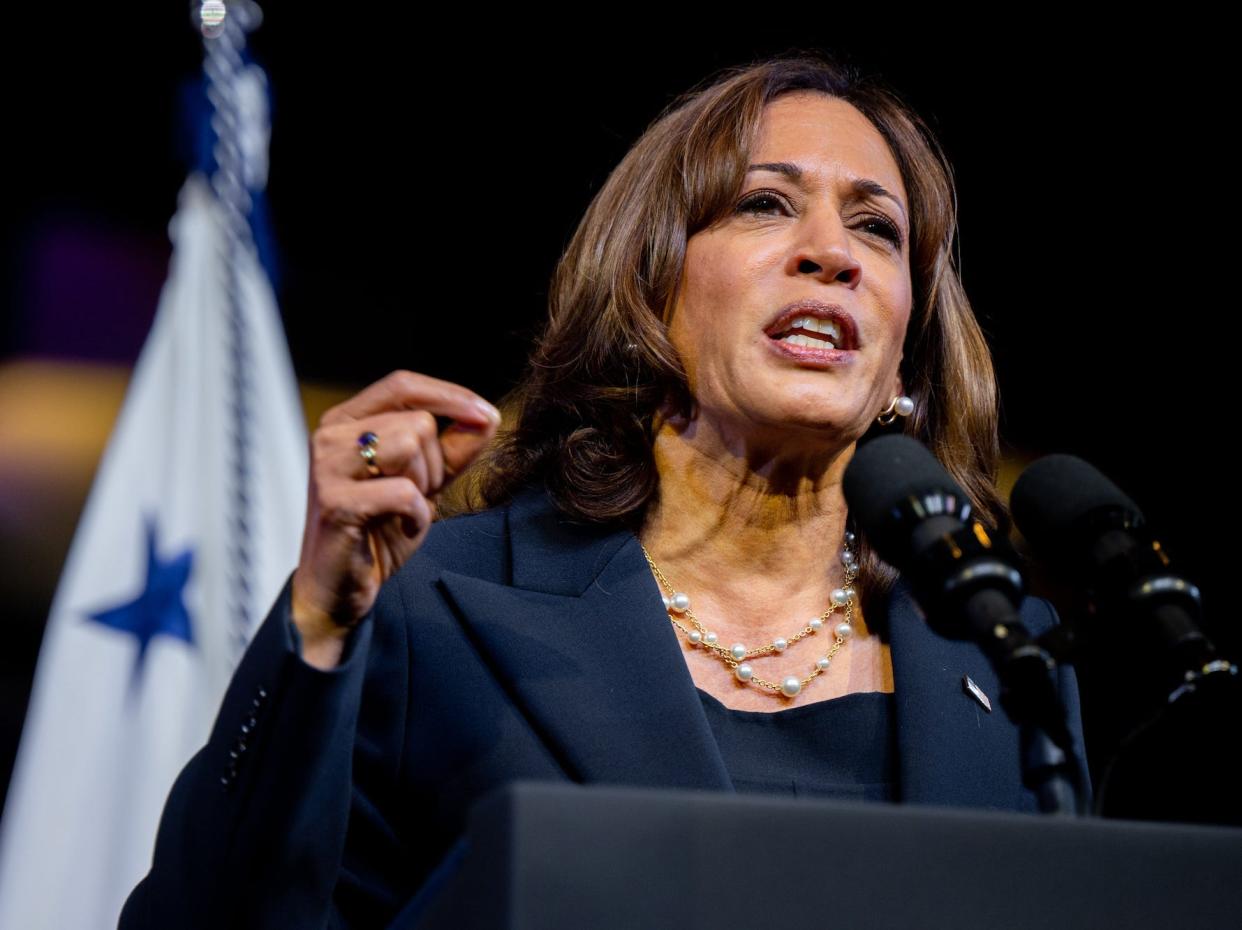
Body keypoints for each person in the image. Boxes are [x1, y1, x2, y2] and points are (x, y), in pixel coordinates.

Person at [120, 52, 1090, 928]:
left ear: (904, 354)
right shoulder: (437, 606)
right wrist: (321, 632)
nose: (831, 252)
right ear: (649, 284)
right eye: (764, 204)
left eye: (876, 229)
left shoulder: (1005, 657)